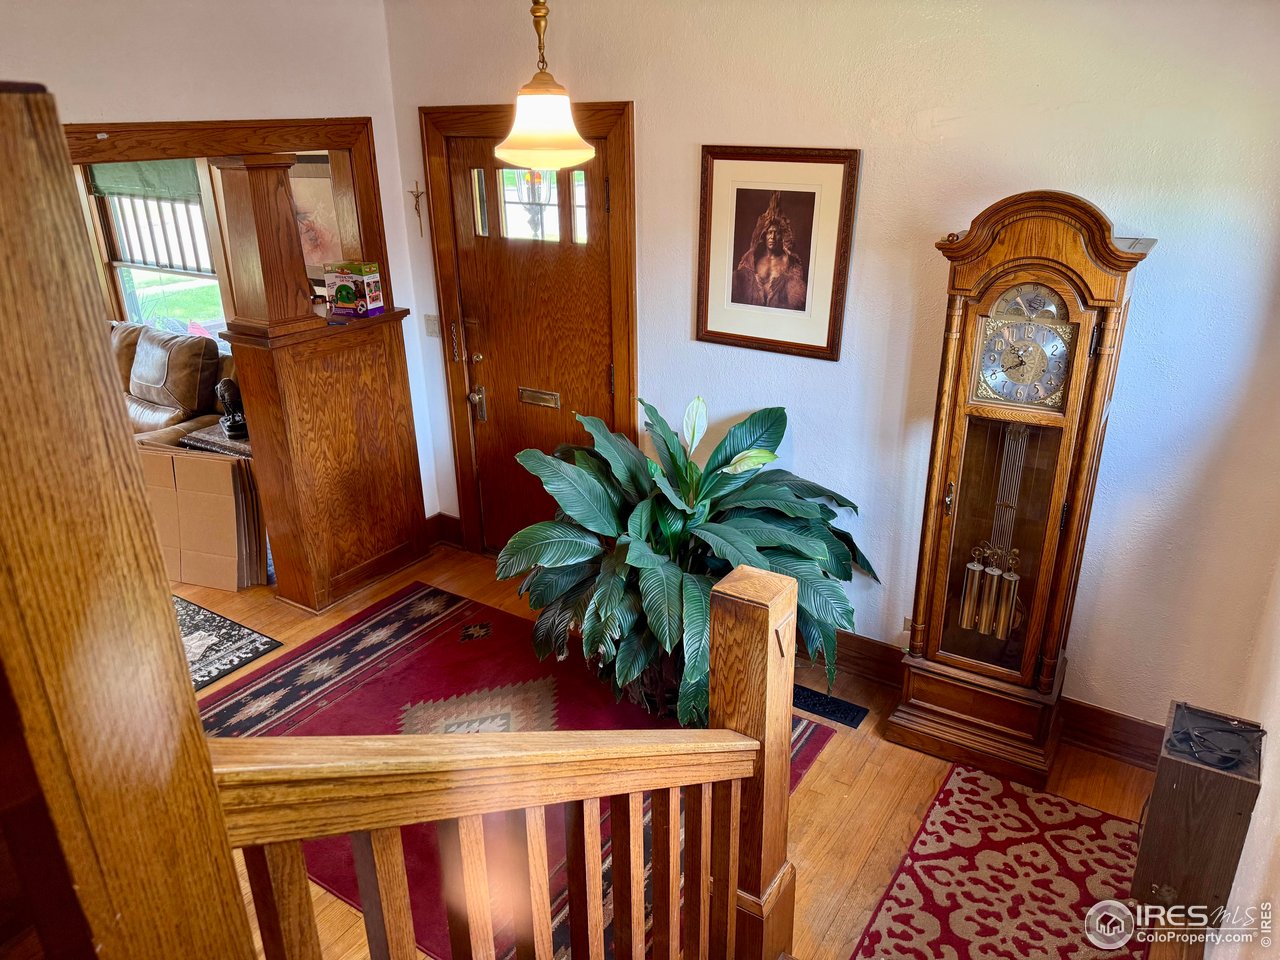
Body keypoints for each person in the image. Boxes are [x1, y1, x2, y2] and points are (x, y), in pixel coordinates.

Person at [731, 191, 808, 310]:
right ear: (764, 235)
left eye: (776, 233)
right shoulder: (752, 259)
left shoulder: (789, 262)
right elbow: (740, 287)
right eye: (769, 232)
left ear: (781, 237)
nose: (772, 236)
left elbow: (795, 299)